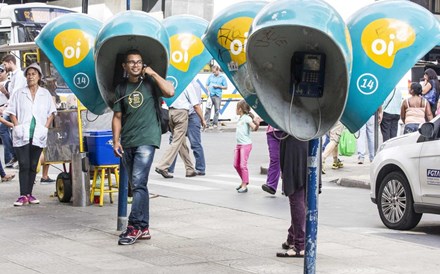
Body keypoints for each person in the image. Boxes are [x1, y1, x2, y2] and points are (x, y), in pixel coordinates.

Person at [112, 49, 174, 245]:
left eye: (139, 62)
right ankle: (144, 228)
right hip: (128, 140)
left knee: (138, 183)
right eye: (131, 62)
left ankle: (133, 227)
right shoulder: (121, 89)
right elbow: (117, 117)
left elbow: (170, 91)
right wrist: (116, 140)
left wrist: (153, 73)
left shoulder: (149, 83)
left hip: (147, 138)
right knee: (138, 185)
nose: (136, 65)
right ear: (125, 66)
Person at [6, 63, 56, 206]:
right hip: (22, 133)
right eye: (28, 74)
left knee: (34, 164)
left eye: (34, 74)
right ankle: (23, 195)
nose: (30, 76)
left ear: (39, 77)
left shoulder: (45, 94)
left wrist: (45, 127)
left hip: (38, 133)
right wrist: (17, 126)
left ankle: (30, 194)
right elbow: (12, 111)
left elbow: (52, 112)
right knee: (24, 163)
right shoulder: (19, 93)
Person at [155, 81, 201, 179]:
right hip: (181, 113)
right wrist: (203, 119)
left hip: (170, 112)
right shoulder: (187, 84)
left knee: (181, 142)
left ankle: (190, 169)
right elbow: (196, 105)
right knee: (177, 141)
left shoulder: (171, 82)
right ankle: (162, 166)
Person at [276, 135, 308, 258]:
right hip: (306, 145)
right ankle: (292, 237)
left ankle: (300, 245)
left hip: (295, 148)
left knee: (297, 199)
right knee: (303, 199)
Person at [168, 80, 207, 176]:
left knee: (195, 143)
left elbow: (196, 104)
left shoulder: (194, 85)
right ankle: (169, 168)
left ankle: (200, 168)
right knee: (175, 143)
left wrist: (202, 119)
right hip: (180, 115)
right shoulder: (176, 82)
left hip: (191, 115)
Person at [1, 54, 26, 168]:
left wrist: (6, 107)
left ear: (11, 62)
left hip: (17, 108)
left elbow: (15, 93)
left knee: (4, 128)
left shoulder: (20, 75)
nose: (4, 67)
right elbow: (11, 94)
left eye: (5, 64)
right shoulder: (13, 76)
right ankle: (15, 154)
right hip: (12, 107)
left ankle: (14, 154)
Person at [234, 100, 260, 193]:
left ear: (240, 109)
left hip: (246, 145)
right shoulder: (240, 118)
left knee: (242, 165)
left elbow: (254, 128)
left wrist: (257, 124)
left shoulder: (246, 118)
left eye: (236, 108)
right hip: (238, 145)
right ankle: (244, 181)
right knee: (236, 165)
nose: (235, 110)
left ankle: (244, 185)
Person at [261, 125, 282, 195]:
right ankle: (271, 186)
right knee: (274, 158)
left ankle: (288, 186)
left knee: (288, 159)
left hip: (286, 131)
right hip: (272, 132)